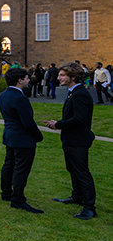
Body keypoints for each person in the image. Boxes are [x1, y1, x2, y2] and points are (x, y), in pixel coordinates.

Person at [46, 63, 97, 220]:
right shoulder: (73, 92)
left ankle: (89, 207)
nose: (58, 78)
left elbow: (79, 119)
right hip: (71, 139)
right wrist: (59, 123)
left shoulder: (80, 94)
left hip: (78, 140)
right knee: (72, 169)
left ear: (73, 77)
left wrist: (58, 124)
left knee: (81, 172)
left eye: (62, 75)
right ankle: (77, 196)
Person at [0, 68, 45, 214]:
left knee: (9, 164)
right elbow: (28, 122)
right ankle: (17, 199)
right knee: (20, 168)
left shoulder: (3, 95)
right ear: (20, 80)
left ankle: (6, 192)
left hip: (10, 135)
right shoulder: (19, 98)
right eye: (26, 78)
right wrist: (39, 136)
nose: (29, 80)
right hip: (22, 137)